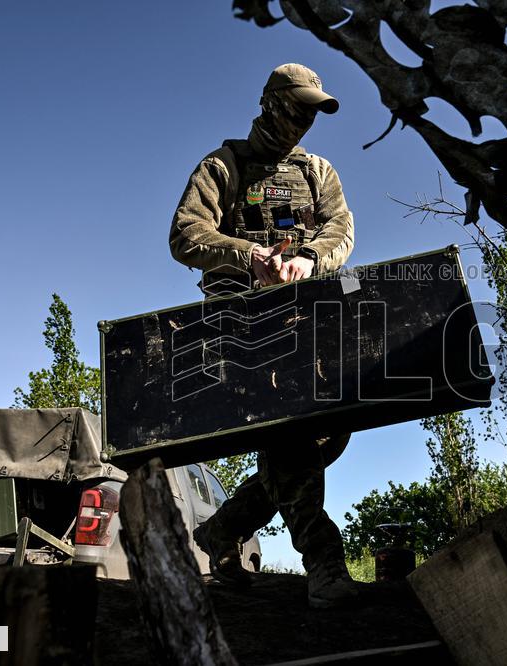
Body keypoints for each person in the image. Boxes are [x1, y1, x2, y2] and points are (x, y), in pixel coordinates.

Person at [168, 64, 357, 608]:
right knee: (292, 435)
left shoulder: (319, 172)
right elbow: (185, 233)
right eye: (296, 107)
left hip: (305, 320)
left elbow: (340, 230)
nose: (303, 121)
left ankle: (222, 531)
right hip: (236, 329)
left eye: (312, 113)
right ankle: (324, 565)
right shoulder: (223, 165)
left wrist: (308, 258)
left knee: (328, 434)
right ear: (269, 102)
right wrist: (248, 255)